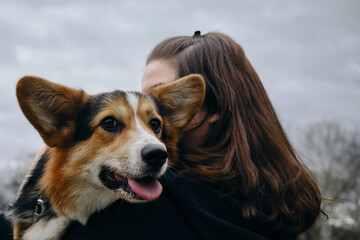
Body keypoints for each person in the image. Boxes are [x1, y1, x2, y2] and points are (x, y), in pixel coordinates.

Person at [5, 31, 323, 240]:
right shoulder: (277, 208)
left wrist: (36, 182)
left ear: (207, 109)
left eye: (156, 116)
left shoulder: (141, 210)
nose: (154, 137)